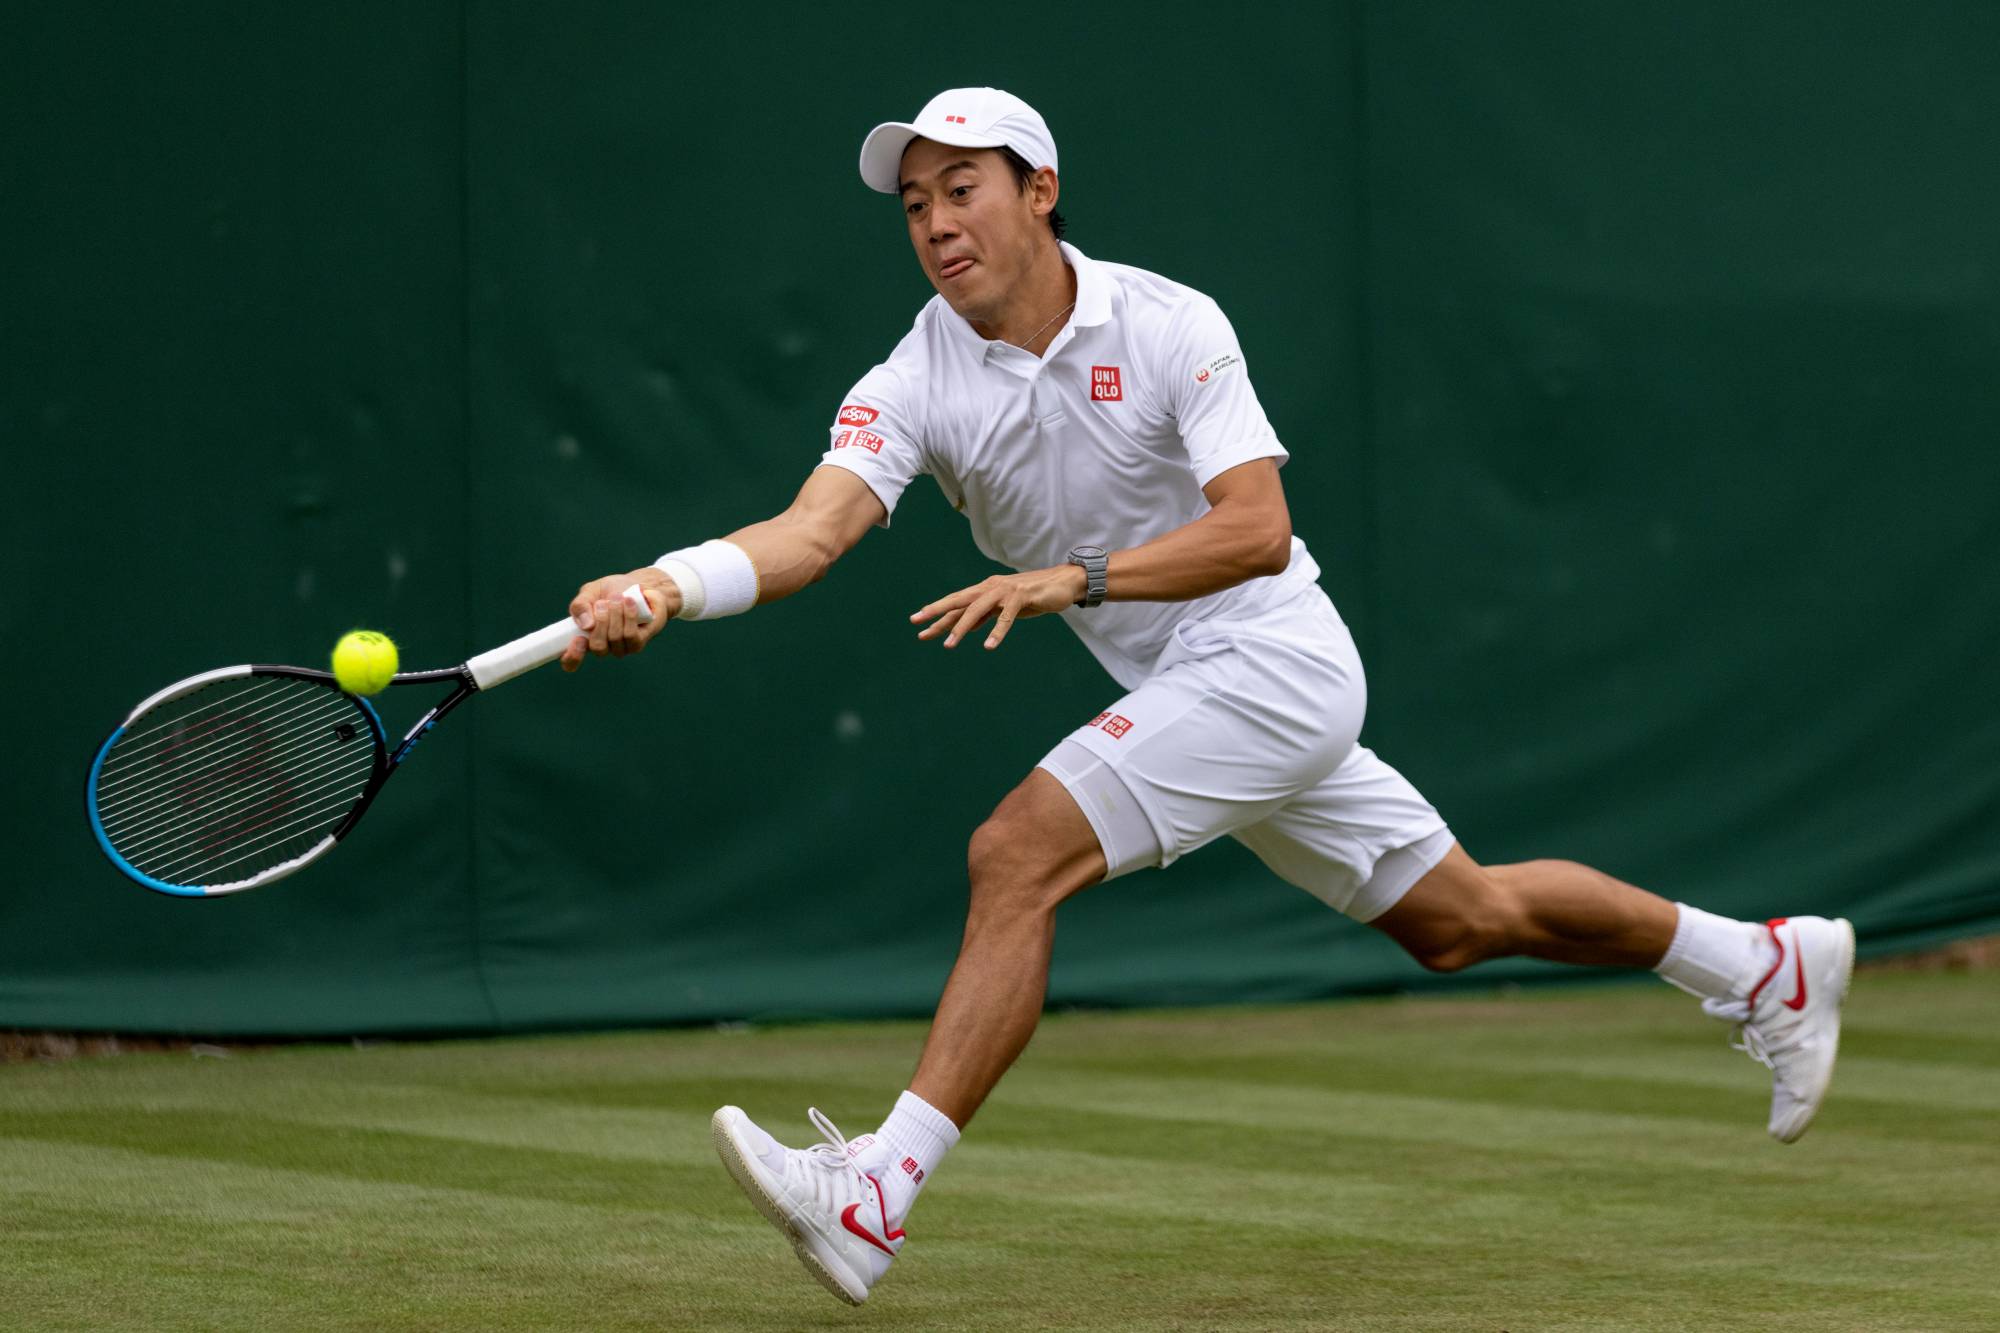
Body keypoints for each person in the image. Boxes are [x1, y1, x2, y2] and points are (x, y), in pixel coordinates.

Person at [558, 88, 1855, 1306]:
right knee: (1464, 919)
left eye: (962, 190)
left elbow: (1258, 528)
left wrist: (1076, 577)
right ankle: (1765, 960)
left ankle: (878, 1190)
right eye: (914, 206)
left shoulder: (1173, 322)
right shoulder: (912, 379)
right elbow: (811, 530)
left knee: (1016, 852)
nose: (938, 224)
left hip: (1278, 658)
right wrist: (666, 584)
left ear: (1041, 189)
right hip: (1186, 684)